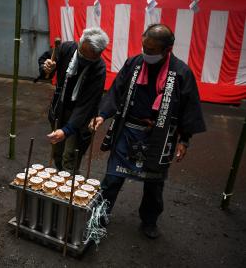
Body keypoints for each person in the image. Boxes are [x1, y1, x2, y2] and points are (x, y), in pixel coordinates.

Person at [89, 24, 206, 239]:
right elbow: (116, 90)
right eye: (144, 47)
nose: (146, 53)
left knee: (154, 184)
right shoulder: (134, 63)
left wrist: (184, 140)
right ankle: (100, 215)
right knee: (112, 178)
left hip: (159, 136)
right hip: (128, 130)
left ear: (166, 49)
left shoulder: (181, 73)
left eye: (151, 50)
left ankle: (149, 220)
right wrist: (102, 115)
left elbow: (189, 109)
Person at [43, 27, 109, 171]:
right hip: (59, 109)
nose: (83, 59)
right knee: (57, 153)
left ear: (99, 54)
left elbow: (86, 106)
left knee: (70, 157)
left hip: (81, 117)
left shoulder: (98, 68)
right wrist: (46, 66)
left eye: (89, 58)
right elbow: (47, 60)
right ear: (80, 43)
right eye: (82, 54)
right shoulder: (67, 48)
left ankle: (69, 187)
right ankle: (58, 185)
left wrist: (67, 130)